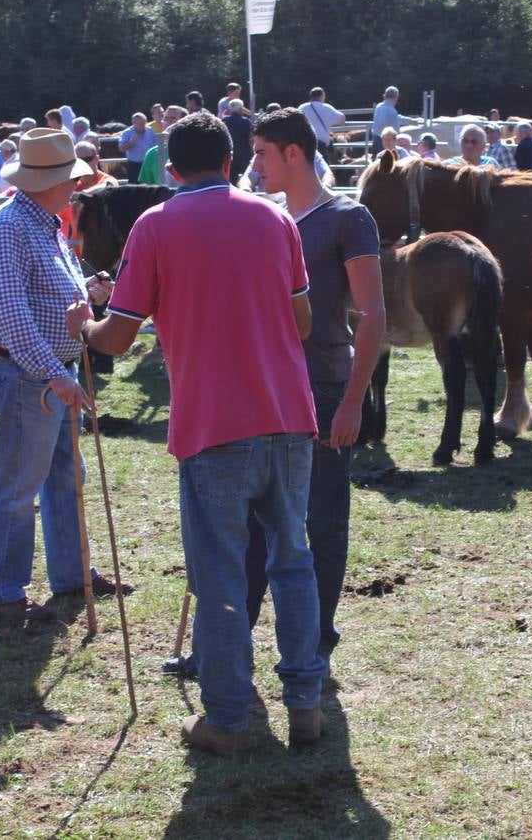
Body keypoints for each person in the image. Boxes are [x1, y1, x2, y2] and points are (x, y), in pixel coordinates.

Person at [78, 113, 324, 756]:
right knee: (293, 562)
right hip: (290, 417)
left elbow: (119, 336)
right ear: (230, 157)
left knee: (218, 575)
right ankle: (306, 705)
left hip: (216, 424)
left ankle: (228, 718)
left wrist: (86, 321)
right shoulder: (275, 219)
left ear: (172, 166)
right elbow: (301, 320)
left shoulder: (155, 226)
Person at [161, 108, 386, 694]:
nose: (252, 166)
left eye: (261, 153)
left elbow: (373, 314)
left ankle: (316, 645)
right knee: (252, 532)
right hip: (265, 391)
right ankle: (224, 647)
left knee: (321, 524)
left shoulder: (348, 218)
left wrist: (354, 402)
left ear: (293, 153)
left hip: (324, 387)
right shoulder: (268, 219)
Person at [0, 128, 129, 624]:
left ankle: (71, 574)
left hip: (48, 372)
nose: (76, 187)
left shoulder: (45, 225)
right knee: (20, 485)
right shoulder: (7, 228)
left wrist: (87, 291)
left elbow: (38, 296)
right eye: (69, 179)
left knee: (66, 477)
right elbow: (11, 311)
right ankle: (5, 593)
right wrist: (52, 373)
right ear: (44, 182)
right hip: (29, 375)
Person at [140, 105, 186, 187]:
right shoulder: (152, 153)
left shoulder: (192, 151)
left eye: (172, 119)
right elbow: (146, 186)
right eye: (165, 118)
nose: (168, 122)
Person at [299, 87, 346, 160]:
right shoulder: (327, 107)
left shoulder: (302, 107)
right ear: (322, 96)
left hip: (305, 145)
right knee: (323, 169)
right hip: (320, 145)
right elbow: (342, 119)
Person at [118, 112, 156, 183]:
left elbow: (155, 145)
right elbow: (121, 148)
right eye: (141, 124)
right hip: (134, 165)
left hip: (149, 164)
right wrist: (131, 142)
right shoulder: (127, 133)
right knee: (134, 188)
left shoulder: (150, 130)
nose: (144, 126)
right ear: (134, 123)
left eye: (145, 124)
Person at [222, 98, 254, 184]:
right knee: (243, 181)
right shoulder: (246, 121)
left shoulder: (224, 121)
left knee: (230, 182)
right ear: (241, 109)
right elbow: (251, 139)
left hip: (229, 157)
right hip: (244, 157)